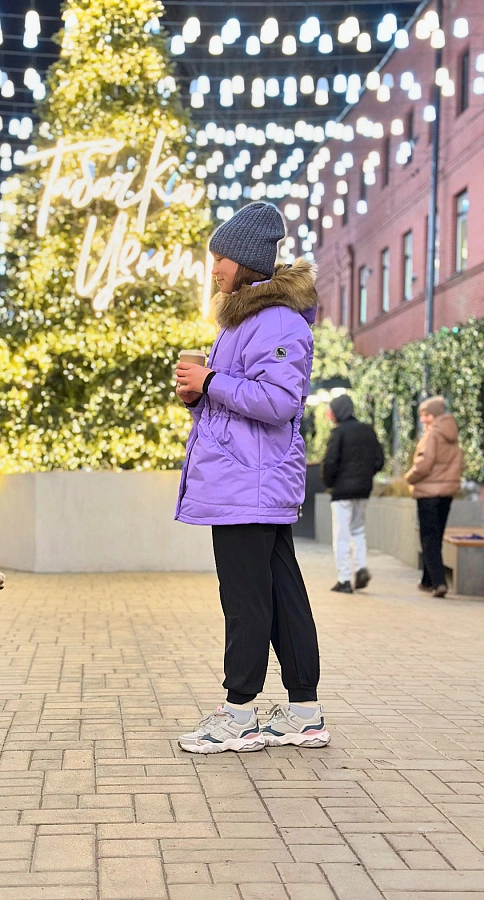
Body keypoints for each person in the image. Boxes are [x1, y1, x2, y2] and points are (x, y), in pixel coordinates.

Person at [173, 201, 330, 754]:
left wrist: (211, 379)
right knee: (283, 596)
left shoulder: (278, 322)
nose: (213, 267)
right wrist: (201, 393)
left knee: (245, 601)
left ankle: (239, 713)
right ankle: (304, 713)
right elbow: (242, 399)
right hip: (247, 480)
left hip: (249, 485)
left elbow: (281, 401)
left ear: (246, 262)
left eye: (221, 257)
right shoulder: (247, 322)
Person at [321, 394, 384, 594]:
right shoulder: (368, 430)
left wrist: (330, 483)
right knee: (358, 530)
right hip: (363, 490)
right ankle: (361, 568)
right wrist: (366, 476)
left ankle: (344, 579)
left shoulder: (338, 433)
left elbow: (330, 462)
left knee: (341, 534)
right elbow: (379, 460)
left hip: (341, 492)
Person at [405, 396, 464, 598]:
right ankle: (427, 580)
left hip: (428, 493)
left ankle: (439, 582)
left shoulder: (433, 435)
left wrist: (409, 477)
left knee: (428, 538)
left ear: (435, 415)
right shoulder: (452, 435)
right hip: (446, 494)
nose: (423, 419)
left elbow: (424, 463)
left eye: (426, 414)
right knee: (436, 536)